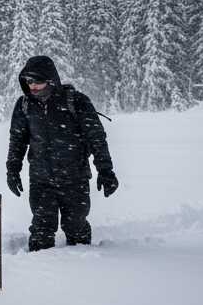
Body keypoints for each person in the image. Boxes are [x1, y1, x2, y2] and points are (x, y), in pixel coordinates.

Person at [6, 55, 119, 251]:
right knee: (41, 231)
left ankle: (81, 273)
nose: (32, 86)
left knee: (77, 230)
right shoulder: (24, 105)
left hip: (75, 180)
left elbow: (97, 139)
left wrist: (106, 171)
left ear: (50, 80)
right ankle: (38, 275)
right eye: (29, 81)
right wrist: (12, 170)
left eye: (37, 81)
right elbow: (17, 141)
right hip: (41, 181)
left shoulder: (76, 101)